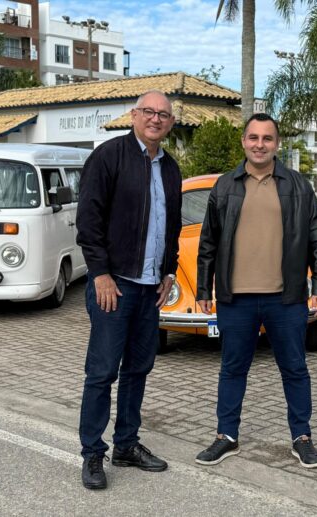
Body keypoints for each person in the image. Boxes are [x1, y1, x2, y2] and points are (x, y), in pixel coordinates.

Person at [195, 113, 317, 469]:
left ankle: (302, 438)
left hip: (285, 299)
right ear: (244, 142)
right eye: (253, 137)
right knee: (232, 369)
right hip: (235, 299)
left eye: (267, 138)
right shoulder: (224, 186)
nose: (260, 144)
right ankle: (226, 436)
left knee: (295, 369)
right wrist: (203, 288)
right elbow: (208, 242)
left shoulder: (298, 186)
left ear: (277, 144)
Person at [76, 90, 182, 489]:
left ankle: (126, 444)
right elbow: (88, 220)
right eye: (149, 112)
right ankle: (92, 453)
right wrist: (100, 273)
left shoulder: (170, 168)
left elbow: (172, 227)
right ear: (134, 115)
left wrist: (169, 271)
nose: (155, 119)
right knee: (102, 371)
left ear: (170, 123)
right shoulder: (109, 157)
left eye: (163, 115)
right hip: (114, 286)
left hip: (150, 288)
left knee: (139, 368)